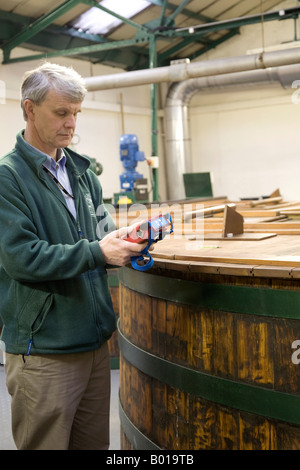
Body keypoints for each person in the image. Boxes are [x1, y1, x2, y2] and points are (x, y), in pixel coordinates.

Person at [0, 62, 148, 450]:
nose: (71, 123)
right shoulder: (8, 178)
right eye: (61, 113)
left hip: (95, 342)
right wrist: (100, 250)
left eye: (76, 113)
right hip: (46, 349)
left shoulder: (81, 173)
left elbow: (101, 232)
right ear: (30, 109)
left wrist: (126, 241)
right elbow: (22, 258)